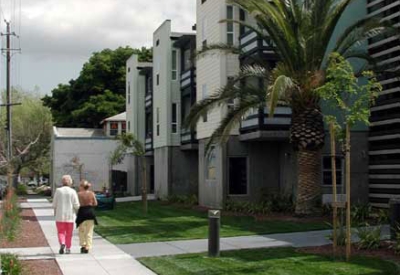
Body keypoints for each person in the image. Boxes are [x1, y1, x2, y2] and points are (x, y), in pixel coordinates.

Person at [53, 175, 80, 255]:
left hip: (59, 216)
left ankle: (62, 243)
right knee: (69, 233)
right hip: (70, 216)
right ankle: (68, 248)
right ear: (70, 182)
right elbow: (76, 205)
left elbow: (54, 204)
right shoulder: (73, 191)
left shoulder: (58, 191)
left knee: (60, 232)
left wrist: (55, 212)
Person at [76, 180, 98, 254]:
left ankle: (83, 245)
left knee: (81, 231)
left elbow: (76, 204)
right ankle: (88, 246)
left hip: (82, 213)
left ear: (82, 186)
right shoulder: (91, 193)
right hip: (90, 212)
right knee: (89, 231)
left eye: (80, 186)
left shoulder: (78, 194)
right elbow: (95, 203)